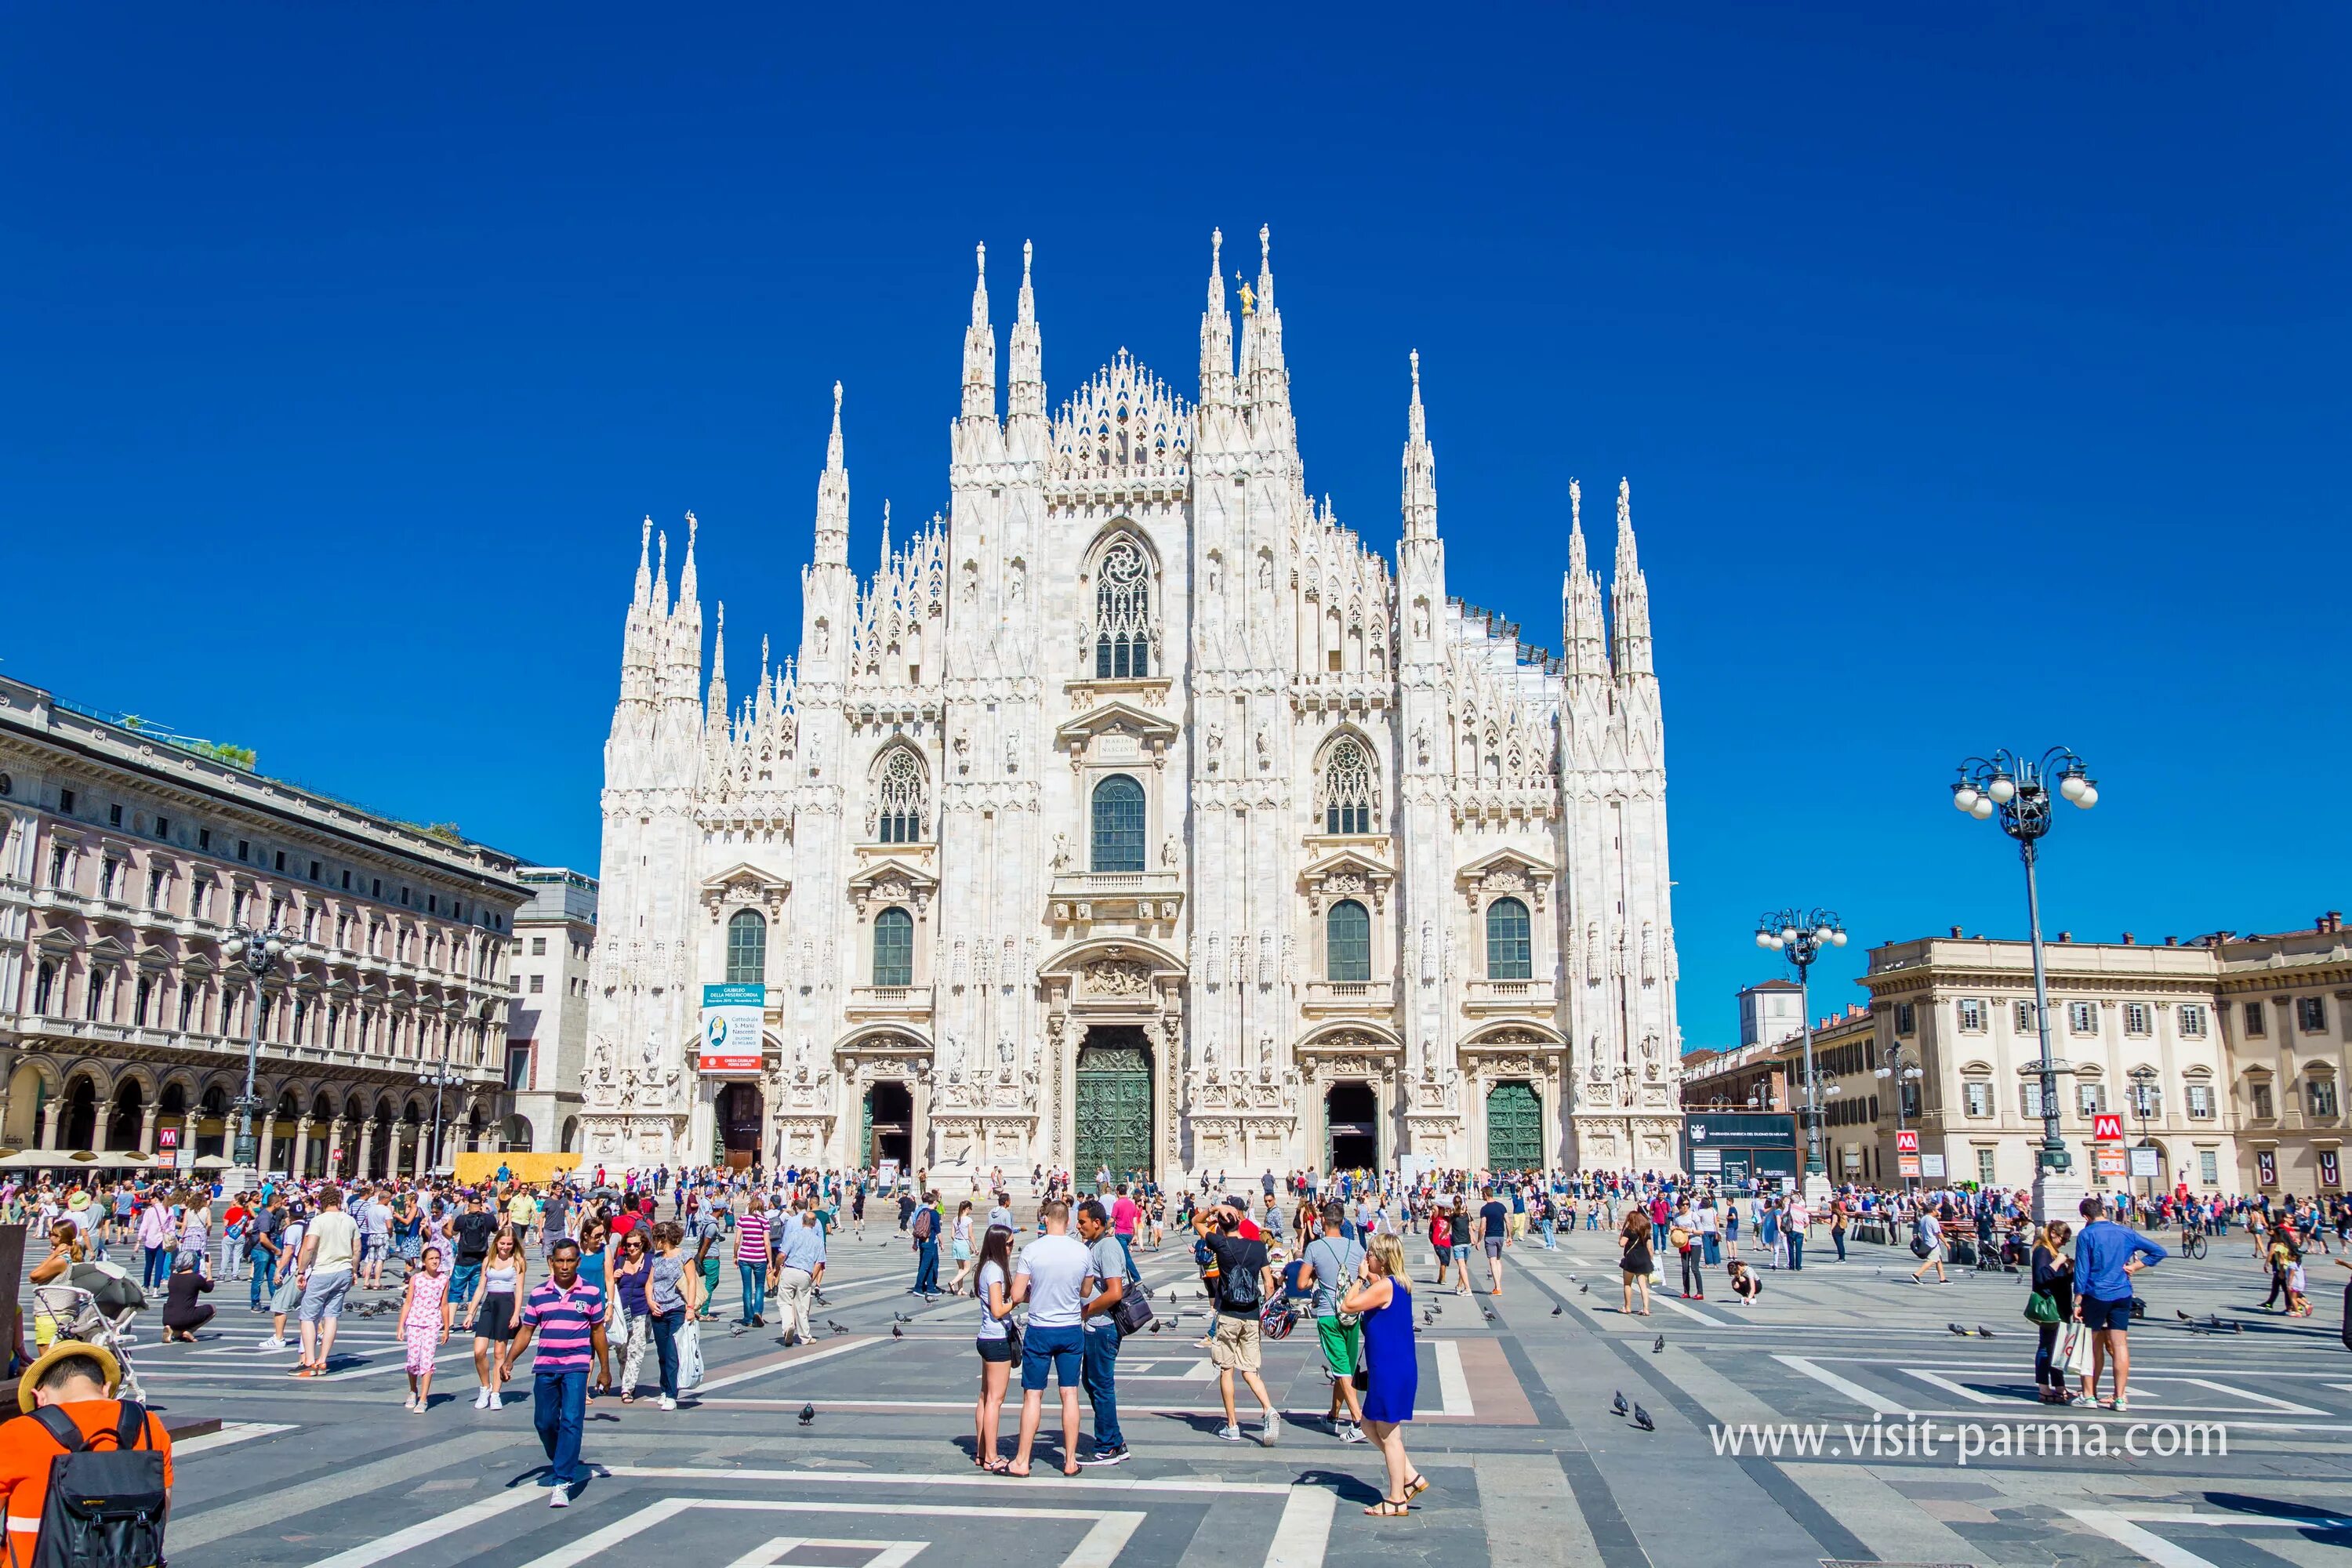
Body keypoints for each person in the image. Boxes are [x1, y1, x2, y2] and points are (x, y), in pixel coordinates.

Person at [0, 1343, 174, 1556]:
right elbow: (160, 1510)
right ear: (106, 1388)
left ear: (39, 1397)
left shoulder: (18, 1432)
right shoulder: (147, 1425)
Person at [500, 1238, 608, 1507]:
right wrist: (509, 1359)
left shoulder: (591, 1292)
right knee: (545, 1422)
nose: (564, 1266)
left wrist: (605, 1369)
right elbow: (527, 1330)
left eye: (570, 1260)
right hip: (546, 1366)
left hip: (577, 1366)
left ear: (578, 1263)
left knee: (572, 1419)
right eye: (559, 1261)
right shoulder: (539, 1294)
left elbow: (598, 1332)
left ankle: (562, 1479)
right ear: (551, 1262)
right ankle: (562, 1456)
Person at [1342, 1232, 1425, 1517]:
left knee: (1389, 1435)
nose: (1367, 1258)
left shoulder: (1385, 1286)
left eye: (1372, 1255)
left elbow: (1348, 1306)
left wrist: (1360, 1278)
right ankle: (1411, 1476)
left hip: (1390, 1369)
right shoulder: (1399, 1284)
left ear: (1384, 1260)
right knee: (1367, 1425)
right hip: (1390, 1367)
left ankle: (1396, 1498)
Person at [1009, 1199, 1091, 1477]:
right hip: (1070, 1329)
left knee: (1033, 1395)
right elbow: (1086, 1290)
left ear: (1045, 1220)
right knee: (1069, 1394)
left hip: (1040, 1330)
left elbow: (1017, 1295)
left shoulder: (1032, 1250)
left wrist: (1037, 1293)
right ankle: (1069, 1461)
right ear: (1068, 1222)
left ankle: (1022, 1461)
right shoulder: (1081, 1251)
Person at [2073, 1196, 2165, 1413]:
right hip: (2122, 1293)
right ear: (2104, 1211)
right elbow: (2159, 1251)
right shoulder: (2125, 1232)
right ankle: (2120, 1397)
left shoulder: (2087, 1235)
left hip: (2096, 1293)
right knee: (2120, 1345)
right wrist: (2136, 1266)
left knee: (2092, 1345)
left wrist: (2078, 1299)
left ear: (2086, 1216)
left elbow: (2082, 1270)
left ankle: (2089, 1394)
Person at [1203, 1204, 1279, 1446]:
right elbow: (1269, 1285)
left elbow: (1196, 1222)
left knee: (1227, 1369)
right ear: (1240, 1220)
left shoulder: (1222, 1245)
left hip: (1228, 1314)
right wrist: (1267, 1315)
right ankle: (1268, 1409)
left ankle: (1232, 1425)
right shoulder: (1258, 1248)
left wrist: (1213, 1208)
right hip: (1251, 1315)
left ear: (1221, 1226)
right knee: (1250, 1370)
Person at [1298, 1201, 1369, 1443]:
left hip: (1329, 1315)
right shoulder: (1357, 1248)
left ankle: (1359, 1422)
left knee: (1341, 1369)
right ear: (1343, 1222)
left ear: (1322, 1221)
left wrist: (1315, 1279)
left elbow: (1301, 1284)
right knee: (1344, 1369)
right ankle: (1333, 1416)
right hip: (1352, 1315)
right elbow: (1367, 1278)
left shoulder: (1315, 1248)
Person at [1074, 1199, 1129, 1466]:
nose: (1078, 1226)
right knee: (1093, 1383)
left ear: (1097, 1222)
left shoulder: (1107, 1246)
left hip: (1103, 1327)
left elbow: (1115, 1292)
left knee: (1101, 1385)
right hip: (1097, 1327)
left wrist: (1087, 1311)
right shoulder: (1096, 1245)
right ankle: (1115, 1441)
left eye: (1082, 1222)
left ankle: (1107, 1446)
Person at [287, 1185, 359, 1377]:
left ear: (322, 1202)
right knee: (332, 1316)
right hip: (344, 1270)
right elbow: (357, 1249)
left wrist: (301, 1271)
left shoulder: (318, 1221)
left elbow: (309, 1247)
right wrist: (354, 1271)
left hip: (323, 1271)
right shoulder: (350, 1220)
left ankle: (309, 1361)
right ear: (339, 1200)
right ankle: (323, 1360)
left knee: (308, 1316)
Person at [466, 1226, 529, 1410]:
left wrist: (517, 1313)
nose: (505, 1247)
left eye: (509, 1244)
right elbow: (480, 1288)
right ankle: (485, 1386)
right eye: (502, 1243)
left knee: (499, 1353)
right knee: (479, 1351)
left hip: (507, 1304)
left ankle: (495, 1393)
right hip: (490, 1304)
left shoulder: (518, 1261)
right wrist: (471, 1312)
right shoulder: (488, 1260)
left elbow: (519, 1290)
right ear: (496, 1243)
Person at [971, 1223, 1018, 1472]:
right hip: (997, 1339)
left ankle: (981, 1453)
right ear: (1000, 1245)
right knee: (995, 1400)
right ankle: (991, 1456)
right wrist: (1017, 1300)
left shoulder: (985, 1268)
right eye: (1009, 1244)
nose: (1012, 1248)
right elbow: (999, 1310)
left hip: (985, 1337)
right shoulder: (996, 1272)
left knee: (985, 1397)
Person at [646, 1221, 695, 1410]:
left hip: (676, 1309)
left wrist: (689, 1307)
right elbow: (650, 1283)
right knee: (662, 1353)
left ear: (663, 1239)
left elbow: (692, 1282)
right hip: (658, 1310)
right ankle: (665, 1389)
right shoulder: (657, 1258)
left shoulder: (685, 1256)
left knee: (672, 1351)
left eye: (656, 1238)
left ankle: (672, 1394)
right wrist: (650, 1302)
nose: (654, 1242)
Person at [401, 1243, 455, 1412]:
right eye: (431, 1258)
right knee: (412, 1360)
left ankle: (423, 1398)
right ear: (424, 1262)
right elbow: (408, 1302)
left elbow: (444, 1304)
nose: (435, 1261)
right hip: (415, 1321)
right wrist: (400, 1326)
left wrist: (446, 1327)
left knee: (427, 1361)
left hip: (432, 1322)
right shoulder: (416, 1278)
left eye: (437, 1258)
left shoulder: (443, 1279)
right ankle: (413, 1390)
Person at [2028, 1221, 2076, 1403]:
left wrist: (2069, 1270)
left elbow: (2060, 1280)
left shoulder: (2053, 1252)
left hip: (2060, 1305)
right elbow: (2041, 1277)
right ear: (2054, 1234)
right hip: (2050, 1305)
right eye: (2063, 1239)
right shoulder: (2043, 1251)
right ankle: (2043, 1386)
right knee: (2047, 1347)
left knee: (2057, 1349)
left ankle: (2059, 1385)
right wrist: (2058, 1262)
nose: (2064, 1243)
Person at [611, 1229, 654, 1403]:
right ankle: (627, 1382)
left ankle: (627, 1388)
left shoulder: (651, 1261)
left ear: (643, 1244)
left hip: (642, 1312)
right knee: (622, 1352)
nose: (632, 1248)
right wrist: (614, 1277)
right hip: (621, 1313)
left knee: (636, 1350)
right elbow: (609, 1284)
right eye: (628, 1245)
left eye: (636, 1244)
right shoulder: (620, 1261)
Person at [161, 1252, 216, 1342]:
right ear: (192, 1263)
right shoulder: (196, 1278)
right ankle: (189, 1331)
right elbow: (209, 1288)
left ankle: (171, 1329)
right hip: (185, 1316)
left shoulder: (173, 1277)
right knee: (212, 1309)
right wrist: (209, 1268)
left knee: (179, 1330)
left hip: (167, 1316)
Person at [734, 1196, 771, 1327]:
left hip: (744, 1257)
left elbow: (738, 1240)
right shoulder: (765, 1221)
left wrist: (735, 1255)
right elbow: (767, 1243)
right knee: (760, 1286)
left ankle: (748, 1318)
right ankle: (758, 1313)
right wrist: (770, 1261)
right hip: (760, 1258)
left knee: (747, 1288)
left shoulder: (742, 1219)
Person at [1619, 1210, 1654, 1316]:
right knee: (1643, 1286)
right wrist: (1651, 1260)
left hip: (1631, 1260)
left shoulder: (1629, 1230)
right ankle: (1646, 1309)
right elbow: (1650, 1248)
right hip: (1643, 1260)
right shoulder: (1645, 1231)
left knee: (1627, 1283)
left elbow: (1622, 1244)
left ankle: (1627, 1307)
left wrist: (1622, 1232)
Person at [1478, 1186, 1510, 1296]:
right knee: (1498, 1260)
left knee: (1492, 1261)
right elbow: (1508, 1221)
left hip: (1490, 1237)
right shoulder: (1501, 1206)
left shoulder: (1485, 1209)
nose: (1482, 1196)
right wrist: (1509, 1236)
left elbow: (1482, 1226)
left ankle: (1498, 1287)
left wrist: (1479, 1240)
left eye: (1482, 1194)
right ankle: (1498, 1285)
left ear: (1486, 1195)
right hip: (1500, 1236)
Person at [1910, 1204, 1949, 1284]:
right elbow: (1938, 1233)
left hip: (1927, 1241)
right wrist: (1946, 1243)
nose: (1938, 1212)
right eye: (1936, 1210)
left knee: (1938, 1260)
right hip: (1933, 1243)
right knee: (1932, 1260)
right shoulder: (1933, 1220)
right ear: (1933, 1211)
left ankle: (1942, 1279)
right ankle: (1917, 1274)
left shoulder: (1923, 1219)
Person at [947, 1200, 976, 1295]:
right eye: (970, 1209)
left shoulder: (955, 1219)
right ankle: (953, 1282)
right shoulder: (968, 1220)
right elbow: (971, 1235)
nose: (970, 1211)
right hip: (964, 1244)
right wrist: (975, 1247)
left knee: (961, 1268)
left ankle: (960, 1289)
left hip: (956, 1243)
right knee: (967, 1269)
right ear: (967, 1209)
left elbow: (952, 1235)